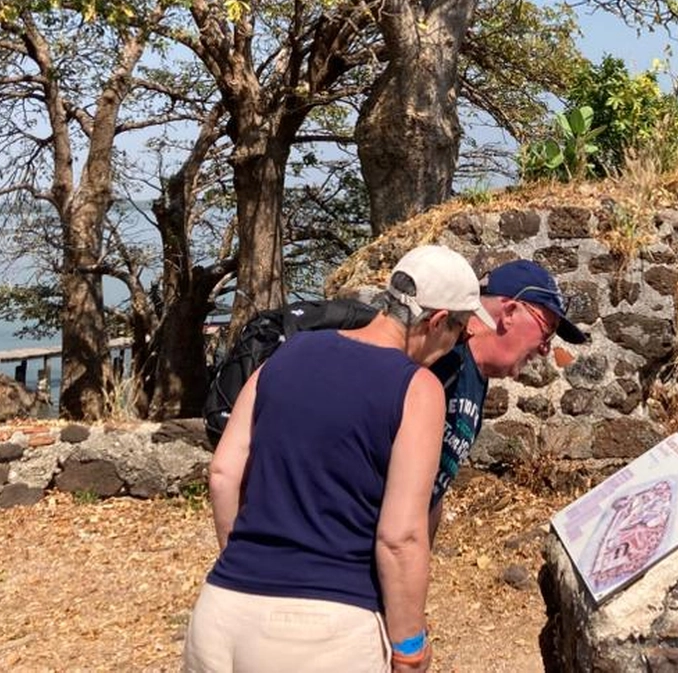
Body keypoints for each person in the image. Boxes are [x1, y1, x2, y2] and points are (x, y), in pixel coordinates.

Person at [183, 245, 495, 673]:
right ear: (438, 321)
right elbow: (400, 536)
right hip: (322, 633)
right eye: (458, 333)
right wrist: (409, 645)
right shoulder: (417, 389)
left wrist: (248, 569)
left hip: (221, 614)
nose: (455, 347)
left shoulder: (288, 353)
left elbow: (222, 474)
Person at [429, 258, 589, 535]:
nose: (545, 349)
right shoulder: (440, 357)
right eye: (546, 330)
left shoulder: (476, 378)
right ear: (510, 311)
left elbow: (433, 490)